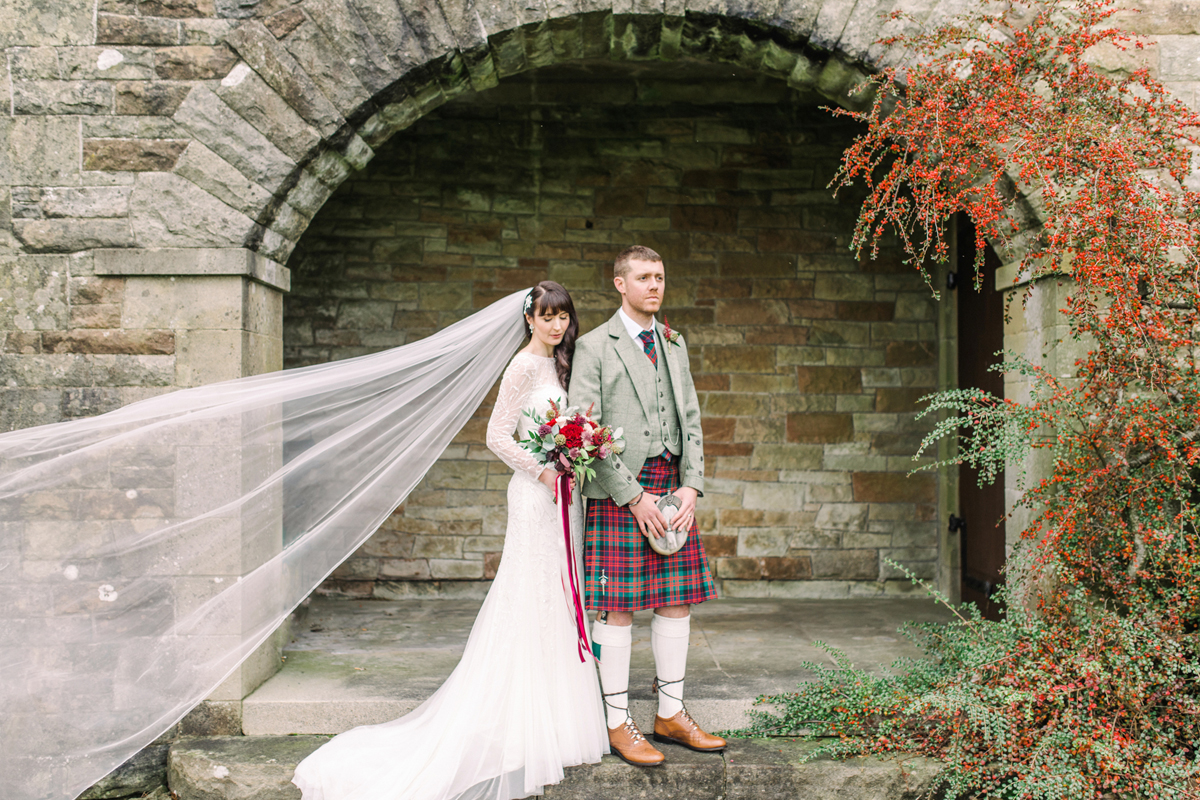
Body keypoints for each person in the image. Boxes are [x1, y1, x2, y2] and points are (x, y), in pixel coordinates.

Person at [292, 281, 607, 800]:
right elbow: (497, 435)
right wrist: (544, 472)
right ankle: (520, 713)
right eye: (547, 316)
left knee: (559, 591)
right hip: (536, 495)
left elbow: (563, 426)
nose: (556, 325)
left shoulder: (561, 363)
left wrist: (579, 445)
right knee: (532, 591)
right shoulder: (524, 366)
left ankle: (559, 709)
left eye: (563, 317)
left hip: (565, 495)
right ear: (529, 319)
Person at [569, 245, 725, 767]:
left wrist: (691, 487)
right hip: (622, 491)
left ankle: (671, 714)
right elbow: (582, 433)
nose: (654, 286)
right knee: (618, 609)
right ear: (620, 284)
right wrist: (632, 496)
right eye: (643, 278)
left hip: (672, 486)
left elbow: (693, 420)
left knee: (677, 601)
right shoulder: (595, 345)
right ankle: (617, 723)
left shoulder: (675, 343)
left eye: (659, 276)